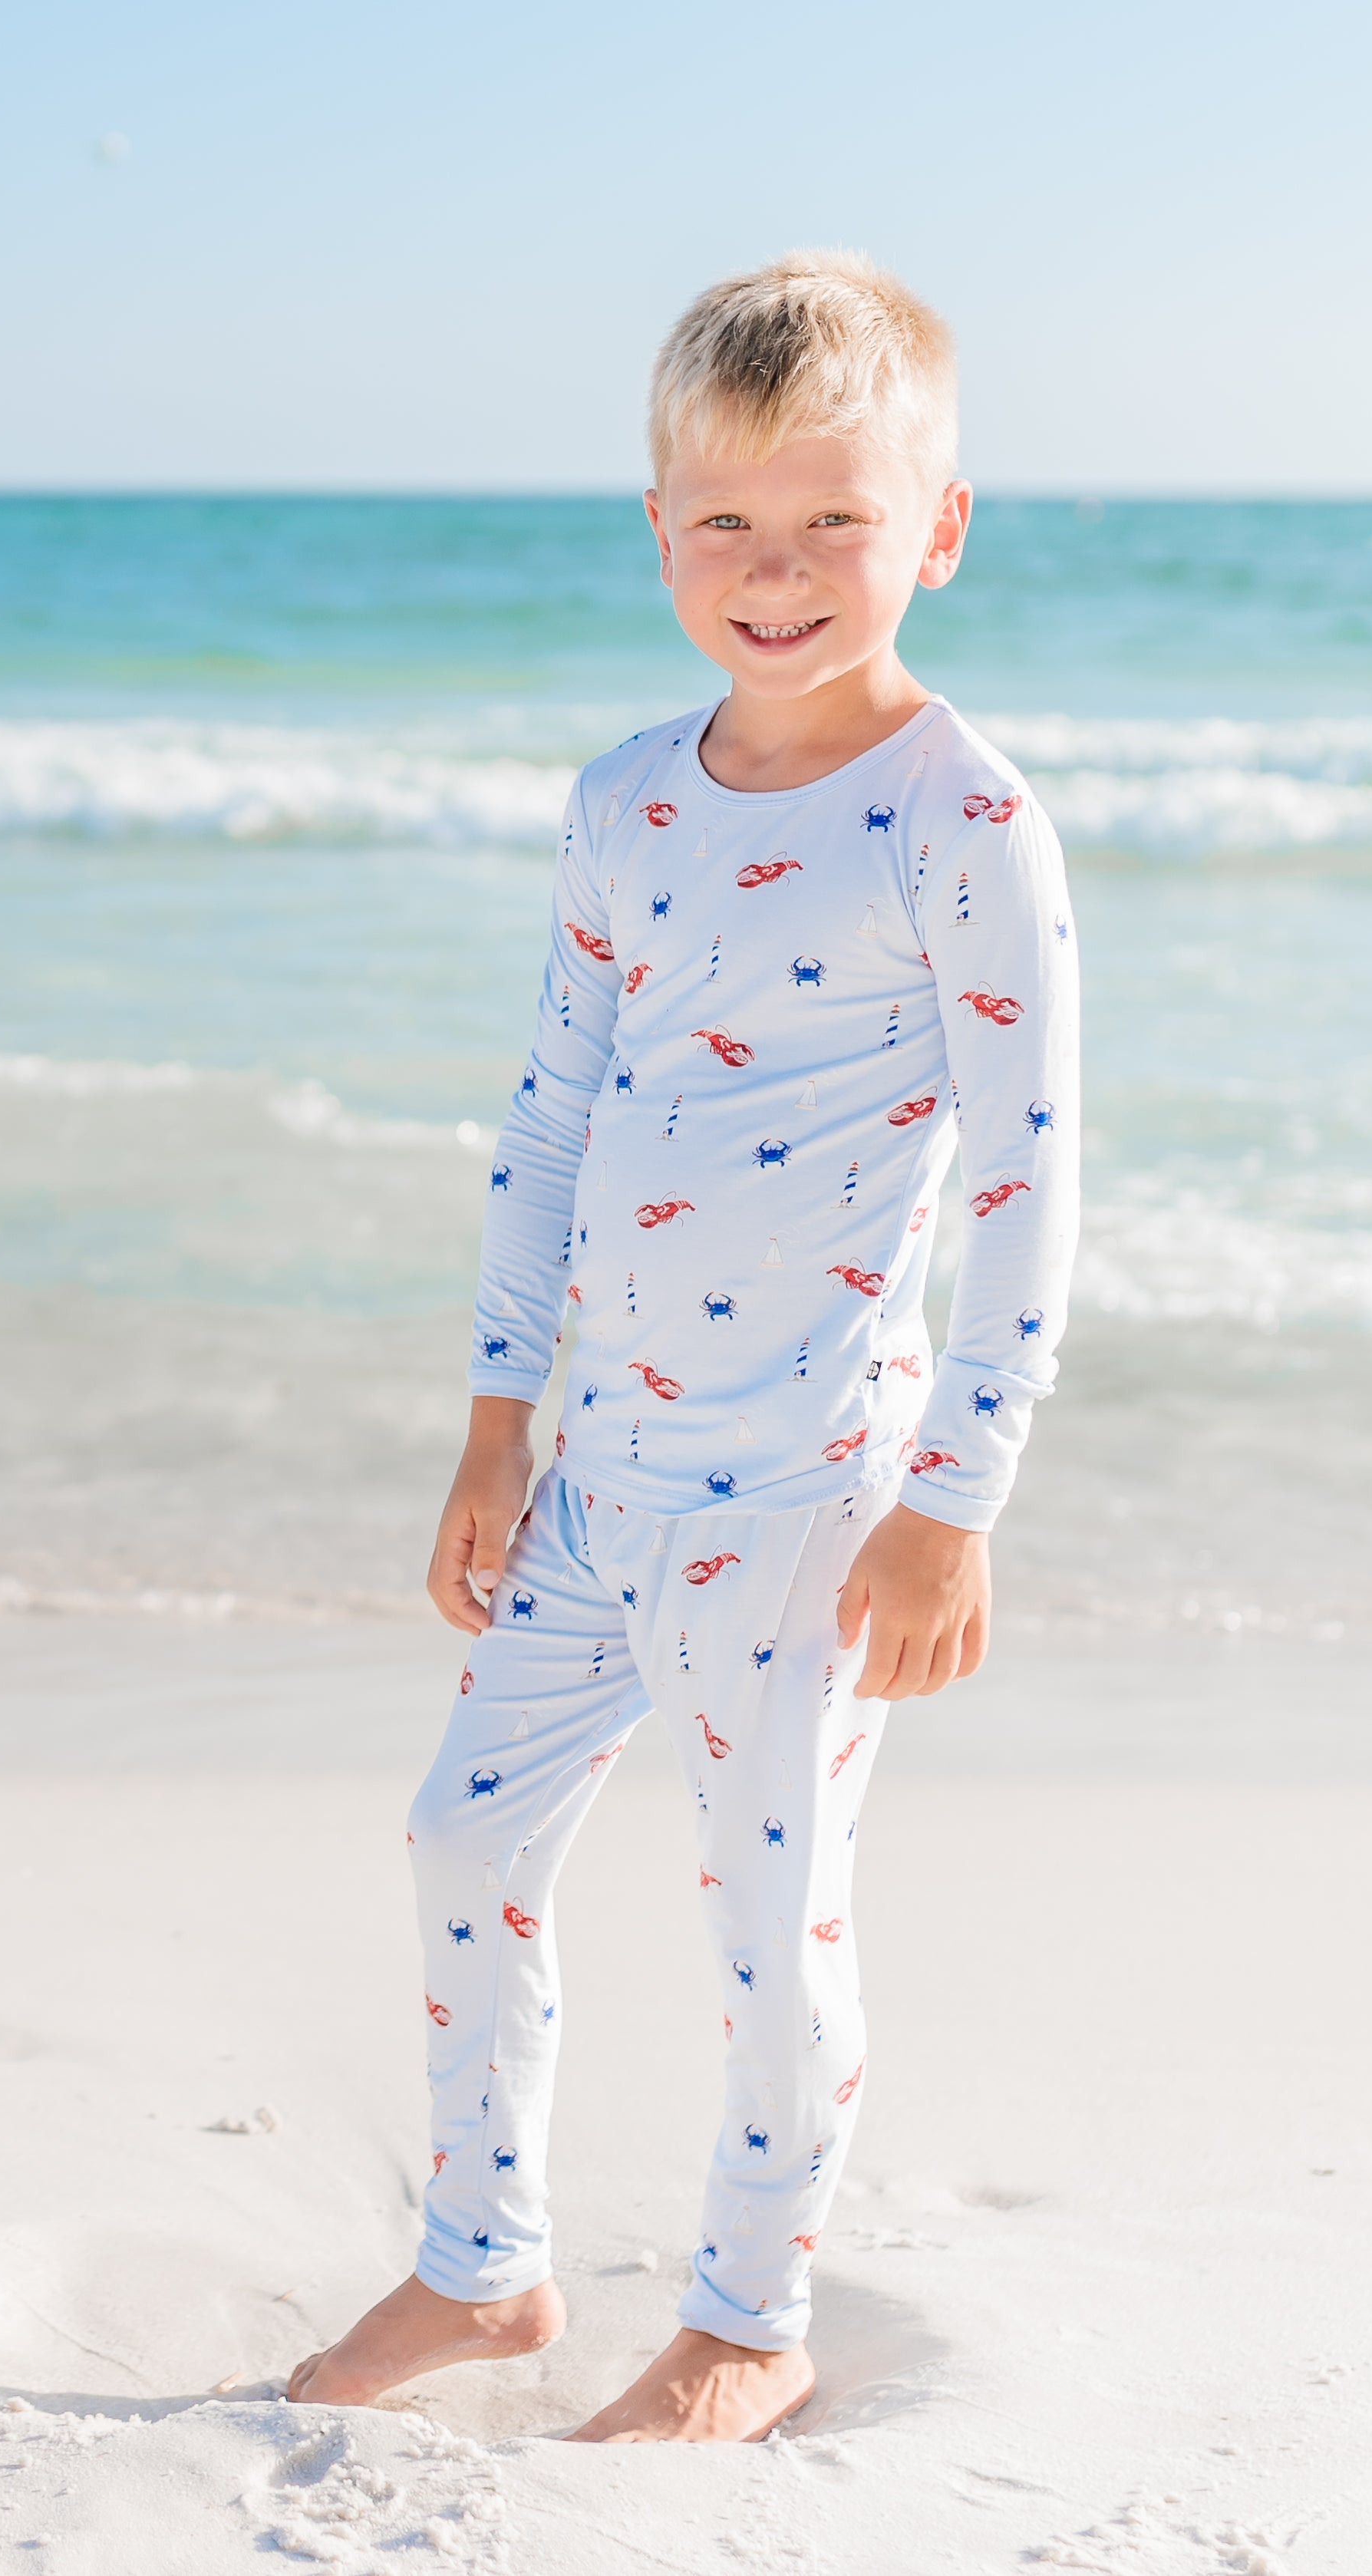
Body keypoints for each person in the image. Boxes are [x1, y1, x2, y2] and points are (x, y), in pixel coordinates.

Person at [285, 249, 1080, 2444]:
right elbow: (551, 1117)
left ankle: (748, 2319)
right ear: (656, 532)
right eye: (727, 522)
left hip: (813, 1481)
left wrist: (957, 1506)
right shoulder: (626, 798)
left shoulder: (965, 819)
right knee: (467, 1840)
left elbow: (1027, 1187)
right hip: (598, 1468)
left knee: (768, 1916)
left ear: (937, 528)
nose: (778, 571)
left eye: (836, 520)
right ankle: (485, 2270)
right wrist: (489, 1423)